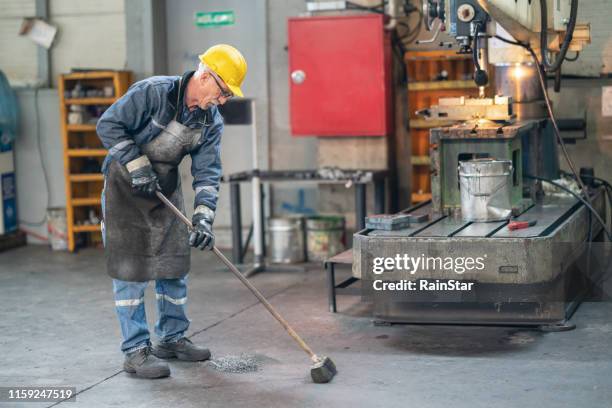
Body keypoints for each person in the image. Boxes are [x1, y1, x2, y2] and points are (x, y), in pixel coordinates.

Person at [96, 44, 247, 379]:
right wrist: (137, 165)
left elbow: (207, 171)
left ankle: (171, 338)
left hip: (164, 189)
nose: (221, 102)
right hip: (125, 188)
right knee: (130, 271)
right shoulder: (152, 93)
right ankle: (135, 351)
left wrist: (204, 217)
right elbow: (108, 125)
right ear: (206, 76)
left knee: (174, 265)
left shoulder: (211, 121)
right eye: (222, 93)